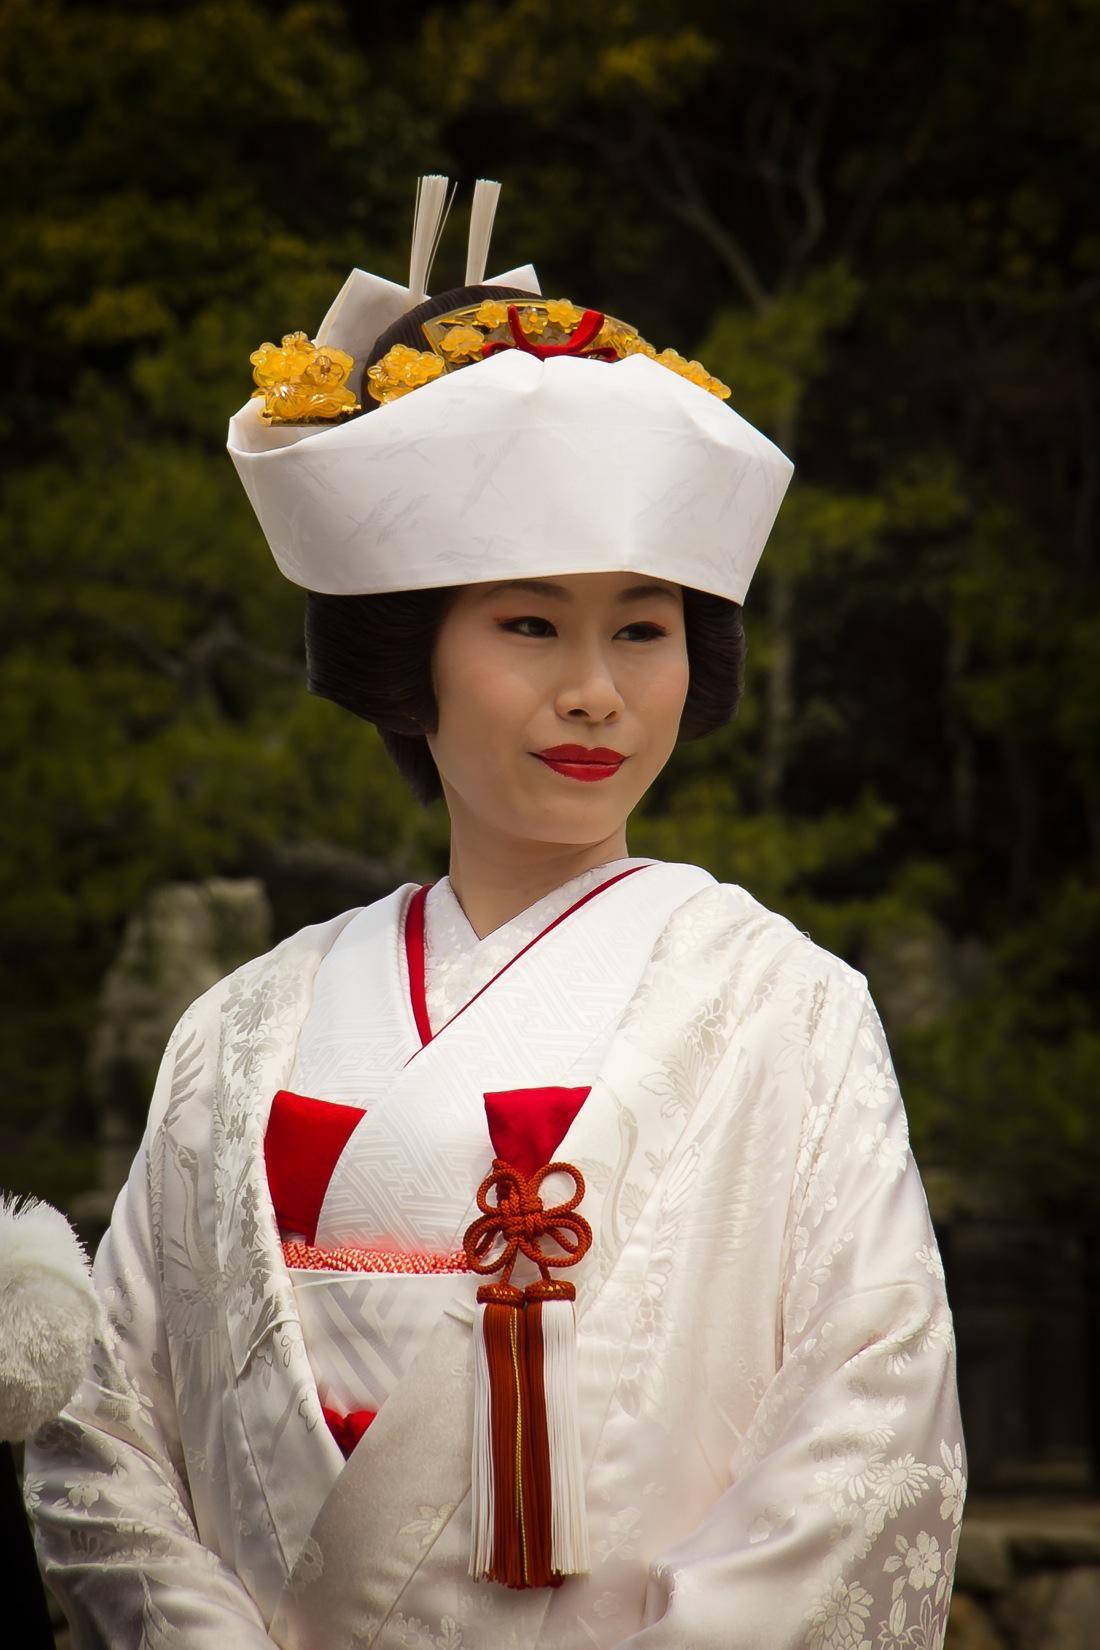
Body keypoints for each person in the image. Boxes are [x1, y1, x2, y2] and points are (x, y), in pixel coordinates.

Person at [26, 176, 966, 1649]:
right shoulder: (242, 1029)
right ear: (415, 657)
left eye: (642, 629)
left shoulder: (784, 1008)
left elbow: (865, 1438)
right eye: (530, 622)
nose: (594, 686)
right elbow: (111, 1429)